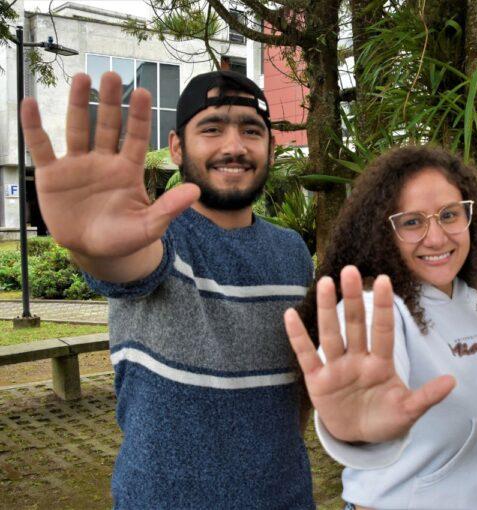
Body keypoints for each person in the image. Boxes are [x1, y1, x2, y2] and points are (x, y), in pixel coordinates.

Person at [21, 70, 315, 508]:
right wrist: (94, 246)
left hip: (285, 498)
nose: (234, 146)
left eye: (252, 131)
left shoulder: (292, 252)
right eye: (212, 128)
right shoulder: (158, 236)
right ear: (177, 146)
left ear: (271, 147)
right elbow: (127, 263)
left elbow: (299, 383)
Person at [284, 146, 477, 509]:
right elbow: (367, 382)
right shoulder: (377, 307)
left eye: (449, 215)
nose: (436, 237)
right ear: (383, 232)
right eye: (412, 222)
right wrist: (358, 434)